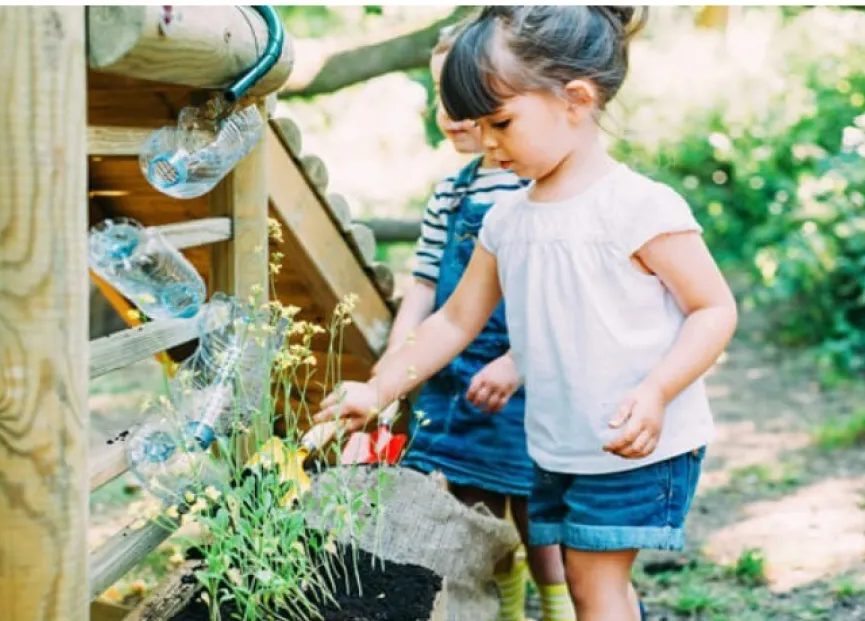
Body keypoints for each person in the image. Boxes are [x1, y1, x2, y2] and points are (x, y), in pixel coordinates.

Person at [316, 7, 738, 621]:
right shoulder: (505, 220)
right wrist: (380, 388)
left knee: (593, 586)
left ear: (575, 99)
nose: (486, 141)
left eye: (501, 121)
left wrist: (657, 390)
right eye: (477, 124)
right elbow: (453, 321)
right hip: (558, 444)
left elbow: (713, 309)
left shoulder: (639, 207)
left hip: (637, 442)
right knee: (579, 576)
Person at [377, 22, 574, 621]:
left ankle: (558, 602)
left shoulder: (541, 178)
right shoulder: (450, 193)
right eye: (443, 97)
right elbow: (425, 287)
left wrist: (520, 359)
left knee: (539, 508)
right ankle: (502, 602)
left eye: (470, 100)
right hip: (455, 372)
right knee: (470, 502)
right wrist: (394, 365)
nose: (455, 114)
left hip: (533, 373)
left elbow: (564, 293)